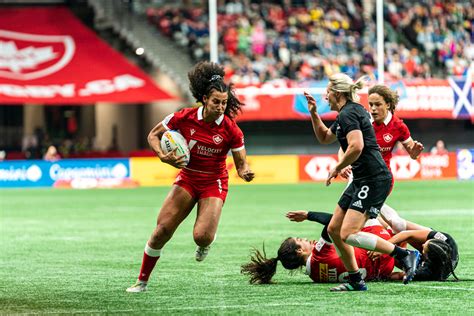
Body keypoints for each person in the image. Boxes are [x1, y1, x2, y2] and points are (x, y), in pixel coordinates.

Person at [127, 61, 255, 293]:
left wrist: (245, 172)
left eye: (224, 103)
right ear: (204, 99)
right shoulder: (183, 117)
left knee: (202, 237)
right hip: (187, 178)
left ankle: (206, 242)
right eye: (216, 102)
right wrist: (164, 157)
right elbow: (153, 135)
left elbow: (241, 163)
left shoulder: (231, 129)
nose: (220, 107)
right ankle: (141, 281)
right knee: (161, 231)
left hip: (213, 182)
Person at [303, 73, 419, 291]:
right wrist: (314, 114)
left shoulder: (349, 114)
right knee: (334, 229)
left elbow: (357, 146)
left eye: (328, 91)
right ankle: (356, 280)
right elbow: (325, 137)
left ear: (337, 93)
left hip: (373, 178)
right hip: (362, 179)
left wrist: (336, 168)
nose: (325, 95)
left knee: (347, 233)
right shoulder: (347, 113)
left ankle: (405, 255)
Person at [341, 84, 425, 235]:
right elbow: (344, 148)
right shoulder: (363, 121)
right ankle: (403, 232)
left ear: (388, 104)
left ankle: (400, 242)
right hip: (358, 175)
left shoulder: (398, 126)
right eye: (371, 104)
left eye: (378, 104)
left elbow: (413, 154)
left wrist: (415, 151)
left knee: (355, 219)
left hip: (381, 178)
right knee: (360, 217)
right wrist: (342, 165)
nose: (373, 109)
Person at [241, 211, 396, 284]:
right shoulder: (319, 254)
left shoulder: (315, 276)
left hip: (383, 271)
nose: (308, 239)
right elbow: (334, 222)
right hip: (382, 248)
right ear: (299, 251)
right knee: (364, 211)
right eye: (301, 240)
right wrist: (308, 215)